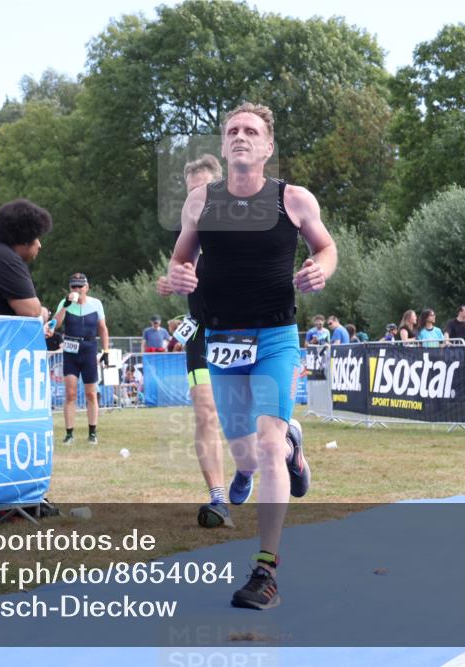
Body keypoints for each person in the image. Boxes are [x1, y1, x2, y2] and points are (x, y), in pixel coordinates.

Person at [167, 102, 337, 610]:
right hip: (221, 341)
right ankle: (292, 447)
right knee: (245, 457)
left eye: (251, 131)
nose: (241, 136)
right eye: (232, 131)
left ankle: (265, 571)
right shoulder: (200, 202)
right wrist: (179, 275)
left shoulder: (295, 199)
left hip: (275, 337)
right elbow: (181, 258)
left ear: (267, 147)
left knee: (264, 447)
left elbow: (326, 248)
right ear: (224, 146)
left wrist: (320, 269)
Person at [156, 153, 233, 529]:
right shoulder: (185, 234)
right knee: (206, 411)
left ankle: (287, 445)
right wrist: (170, 282)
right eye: (189, 192)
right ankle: (218, 498)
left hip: (244, 330)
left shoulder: (245, 229)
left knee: (248, 422)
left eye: (201, 190)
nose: (195, 199)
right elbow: (180, 271)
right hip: (200, 331)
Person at [54, 272, 110, 445]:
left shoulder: (96, 304)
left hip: (89, 350)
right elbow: (56, 324)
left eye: (80, 286)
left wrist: (105, 350)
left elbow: (103, 328)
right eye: (74, 286)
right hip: (70, 351)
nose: (77, 289)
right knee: (70, 394)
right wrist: (65, 304)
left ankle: (92, 432)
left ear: (87, 287)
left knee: (91, 394)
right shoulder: (65, 303)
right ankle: (69, 434)